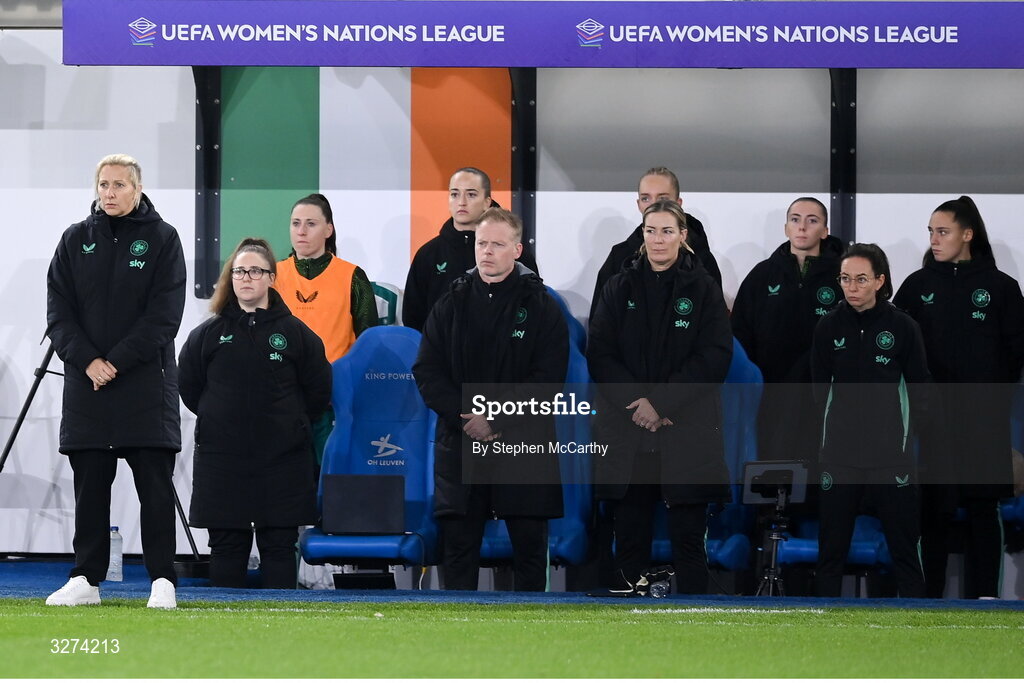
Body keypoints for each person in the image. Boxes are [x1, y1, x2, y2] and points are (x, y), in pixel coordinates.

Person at [45, 154, 185, 608]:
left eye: (119, 184)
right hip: (88, 387)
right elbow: (59, 314)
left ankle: (162, 579)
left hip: (144, 385)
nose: (109, 192)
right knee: (89, 487)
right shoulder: (74, 240)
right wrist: (89, 362)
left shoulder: (163, 239)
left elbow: (164, 318)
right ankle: (86, 578)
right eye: (103, 184)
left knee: (155, 488)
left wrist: (115, 362)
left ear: (138, 189)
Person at [414, 207, 568, 591]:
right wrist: (467, 418)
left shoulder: (542, 305)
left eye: (497, 245)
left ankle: (535, 635)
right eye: (482, 244)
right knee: (459, 551)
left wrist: (494, 419)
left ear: (516, 250)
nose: (486, 252)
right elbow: (427, 371)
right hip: (462, 442)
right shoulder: (451, 301)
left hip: (523, 443)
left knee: (530, 552)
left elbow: (548, 380)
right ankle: (457, 637)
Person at [587, 200, 733, 594]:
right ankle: (627, 635)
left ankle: (694, 626)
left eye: (667, 231)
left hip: (686, 434)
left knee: (688, 541)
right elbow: (600, 353)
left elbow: (716, 356)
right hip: (628, 435)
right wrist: (639, 405)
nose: (658, 239)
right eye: (650, 231)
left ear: (683, 236)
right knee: (629, 540)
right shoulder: (619, 286)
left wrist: (662, 405)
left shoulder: (703, 288)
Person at [178, 239, 332, 589]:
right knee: (227, 547)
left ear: (272, 278)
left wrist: (290, 424)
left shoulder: (297, 335)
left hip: (282, 460)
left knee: (279, 546)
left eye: (255, 271)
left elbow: (317, 392)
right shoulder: (206, 335)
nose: (246, 278)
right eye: (239, 271)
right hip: (223, 459)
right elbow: (189, 387)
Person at [893, 196, 1024, 599]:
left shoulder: (1001, 288)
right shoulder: (917, 285)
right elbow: (897, 345)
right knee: (933, 511)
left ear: (967, 235)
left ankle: (986, 600)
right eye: (930, 232)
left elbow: (1016, 354)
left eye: (943, 231)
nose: (934, 239)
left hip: (983, 423)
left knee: (985, 511)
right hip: (932, 423)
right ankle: (926, 600)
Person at [811, 243, 929, 598]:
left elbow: (920, 390)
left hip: (891, 458)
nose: (851, 287)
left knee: (905, 551)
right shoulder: (828, 327)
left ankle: (918, 627)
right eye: (845, 279)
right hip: (839, 457)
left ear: (879, 281)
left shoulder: (904, 328)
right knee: (830, 552)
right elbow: (820, 392)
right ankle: (820, 627)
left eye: (861, 279)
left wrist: (901, 439)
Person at [731, 197, 843, 464]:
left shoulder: (842, 277)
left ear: (825, 230)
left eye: (812, 220)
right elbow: (740, 335)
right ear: (786, 228)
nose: (802, 227)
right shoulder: (762, 275)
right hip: (772, 395)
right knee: (773, 465)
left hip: (825, 397)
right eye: (795, 219)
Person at [272, 193, 376, 465]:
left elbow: (369, 342)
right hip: (283, 398)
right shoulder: (273, 275)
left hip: (335, 401)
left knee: (331, 480)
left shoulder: (352, 276)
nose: (301, 231)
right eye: (295, 223)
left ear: (329, 230)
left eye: (311, 224)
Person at [403, 167, 540, 331]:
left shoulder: (514, 254)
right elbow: (413, 318)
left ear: (487, 202)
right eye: (454, 194)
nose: (461, 202)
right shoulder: (428, 254)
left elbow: (534, 309)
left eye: (471, 194)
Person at [590, 166, 721, 321]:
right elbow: (599, 324)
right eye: (646, 198)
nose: (653, 205)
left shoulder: (702, 259)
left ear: (678, 203)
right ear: (638, 204)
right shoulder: (619, 257)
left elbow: (715, 325)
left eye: (662, 199)